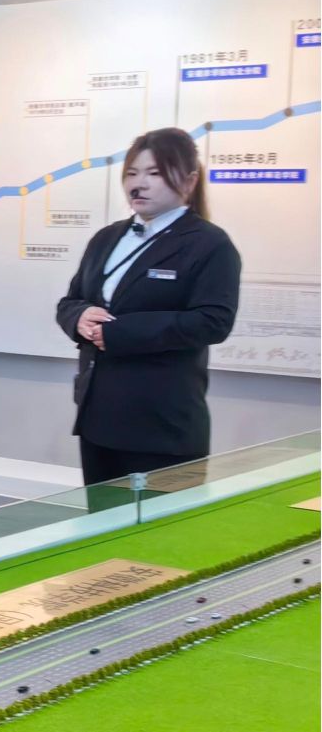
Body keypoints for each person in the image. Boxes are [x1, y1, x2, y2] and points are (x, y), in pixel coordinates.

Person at [57, 128, 240, 488]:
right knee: (104, 518)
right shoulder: (107, 237)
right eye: (132, 173)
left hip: (161, 422)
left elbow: (213, 321)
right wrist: (79, 317)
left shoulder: (210, 244)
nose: (138, 184)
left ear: (189, 181)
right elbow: (71, 300)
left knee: (163, 521)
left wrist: (119, 333)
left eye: (154, 173)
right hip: (98, 417)